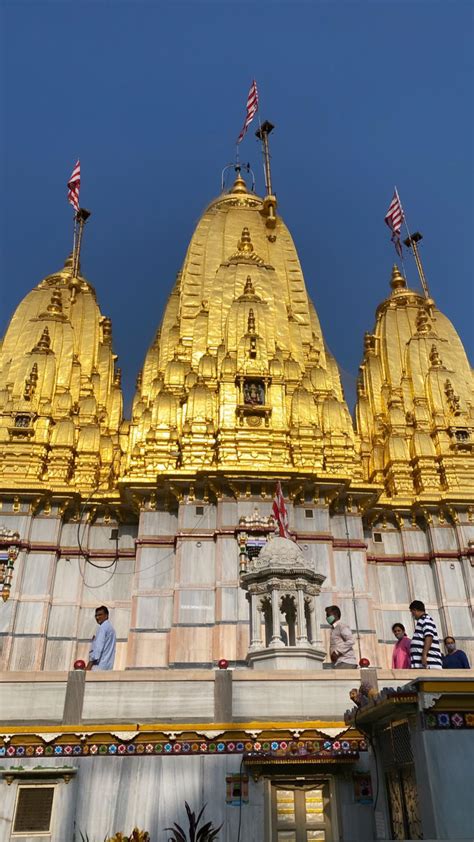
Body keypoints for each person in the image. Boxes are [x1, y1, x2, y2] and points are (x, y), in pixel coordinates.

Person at [409, 600, 442, 669]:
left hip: (429, 664)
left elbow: (429, 636)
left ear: (415, 610)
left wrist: (424, 655)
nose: (412, 615)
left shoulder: (426, 620)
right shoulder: (422, 621)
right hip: (422, 666)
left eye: (412, 612)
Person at [86, 605, 116, 671]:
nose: (97, 617)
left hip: (98, 667)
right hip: (107, 666)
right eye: (96, 616)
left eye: (100, 615)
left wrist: (88, 667)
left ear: (106, 616)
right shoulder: (111, 629)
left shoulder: (102, 628)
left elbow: (97, 649)